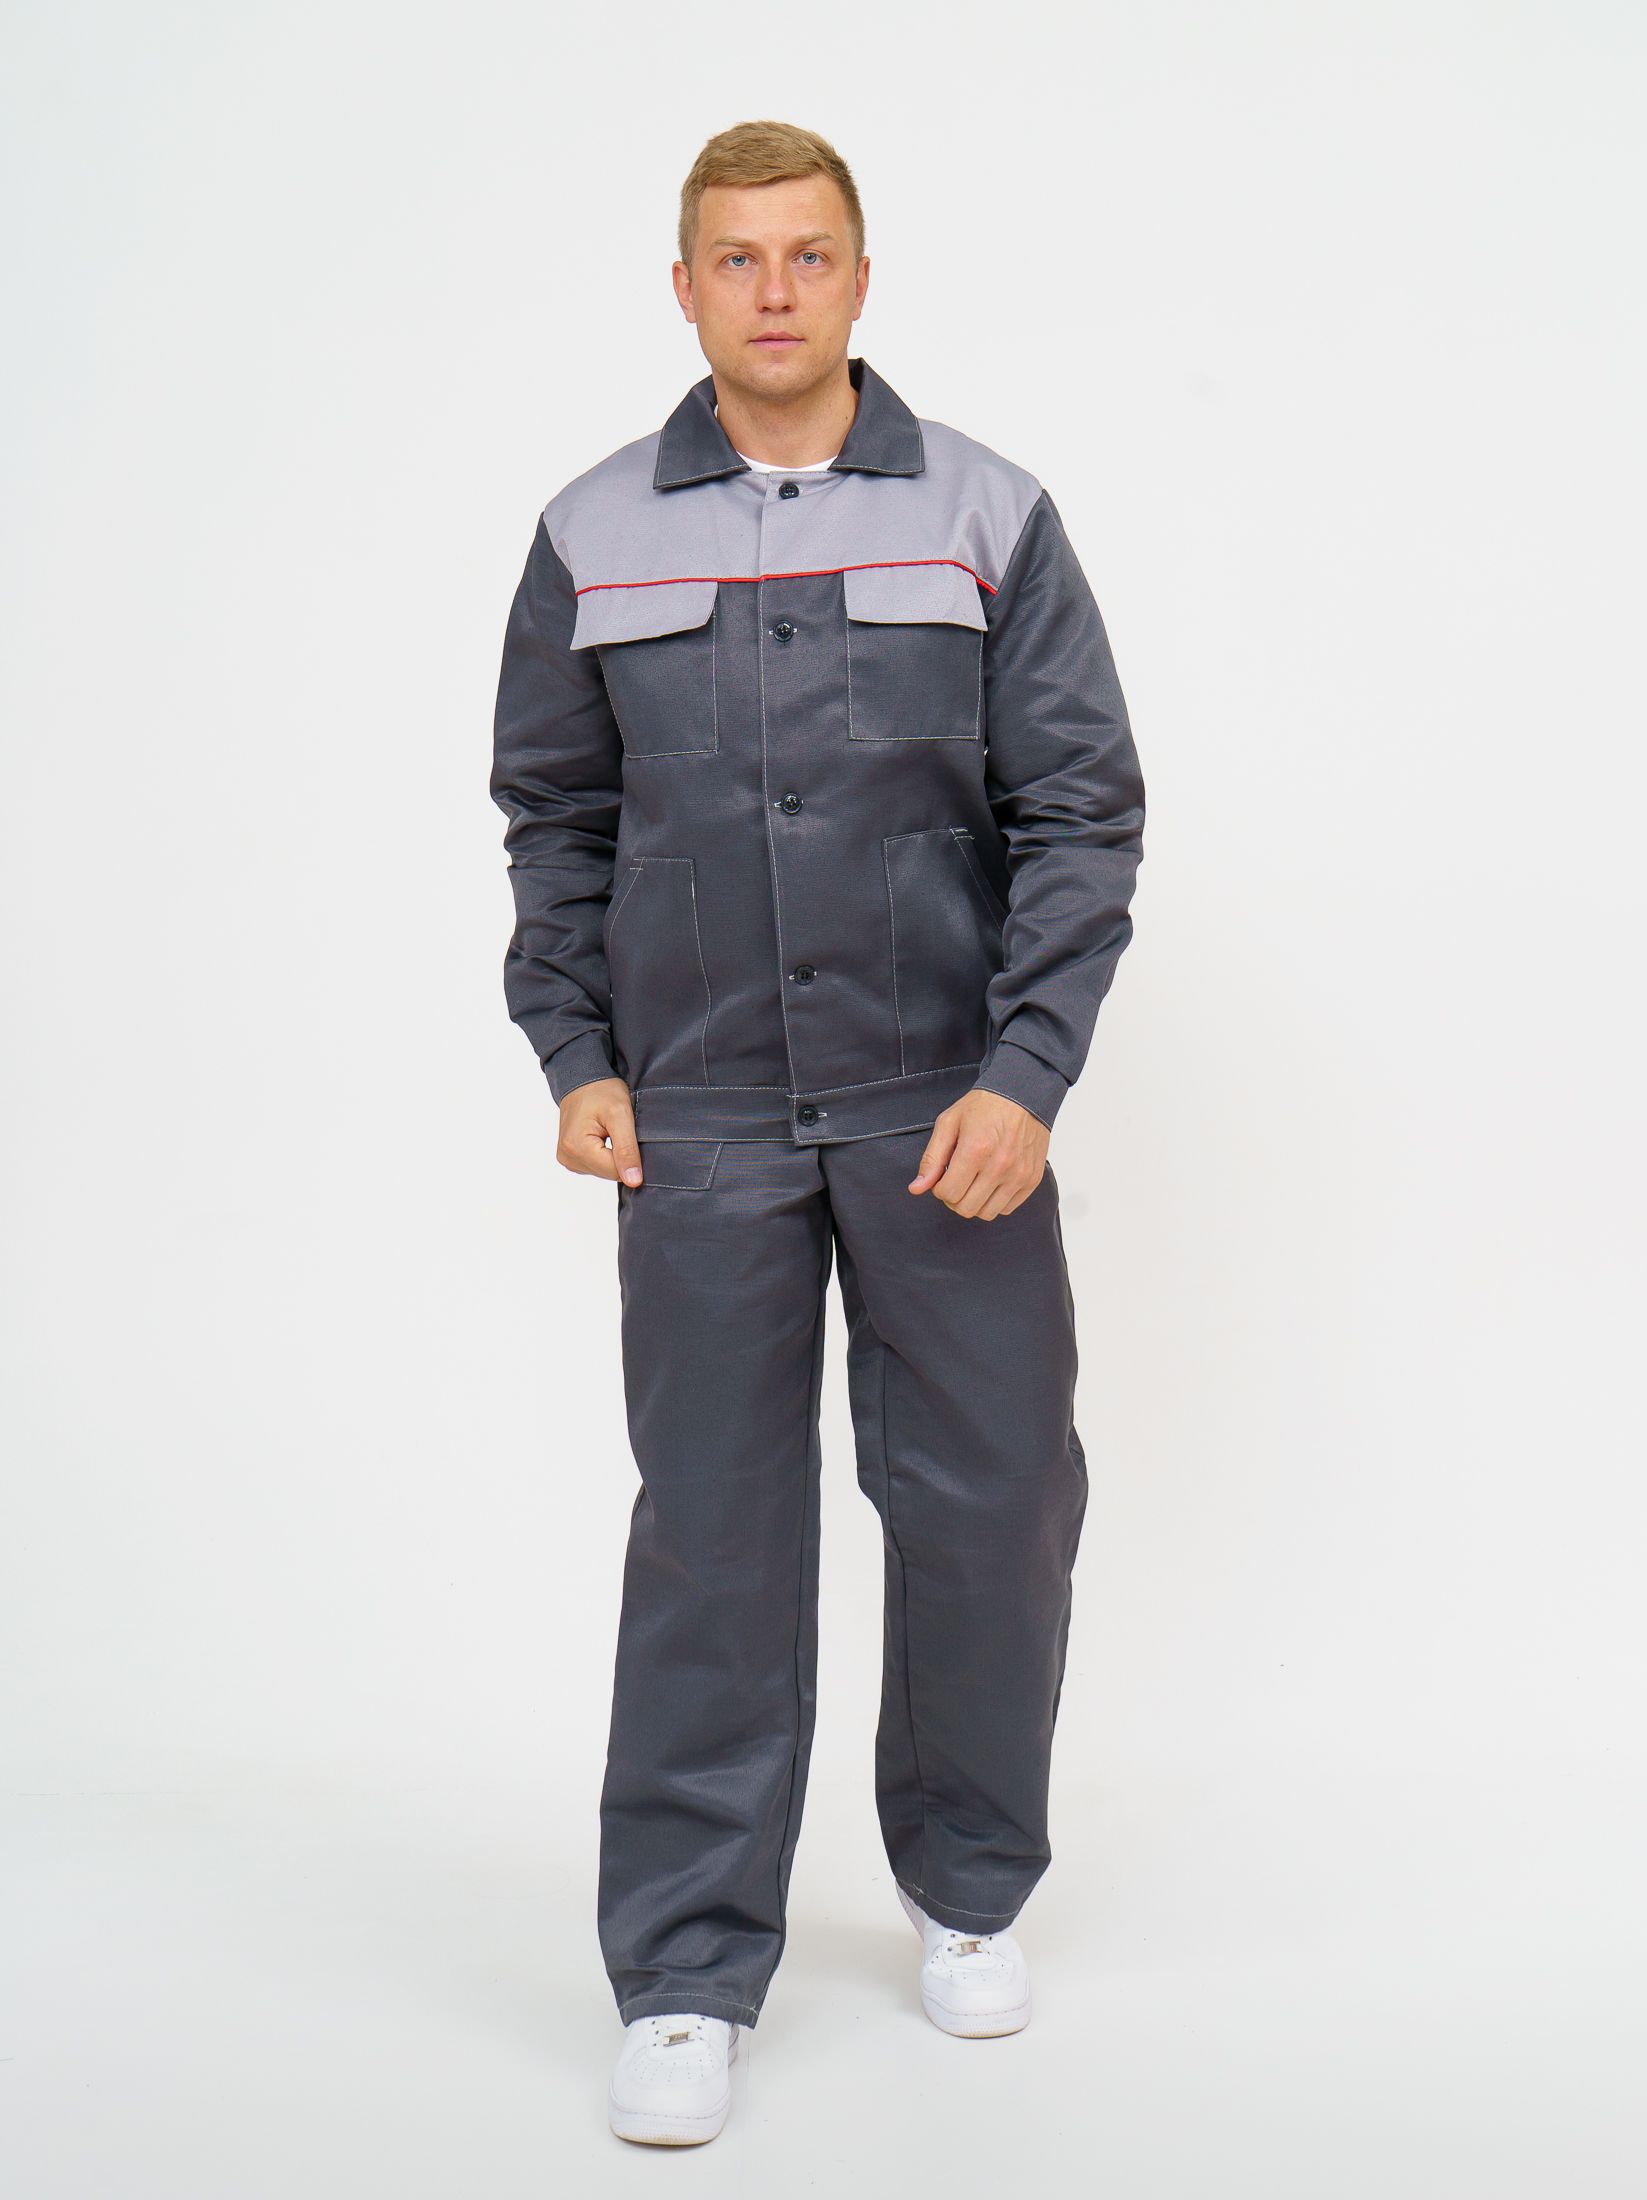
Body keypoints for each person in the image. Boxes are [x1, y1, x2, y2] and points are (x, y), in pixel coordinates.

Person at [490, 117, 1146, 2147]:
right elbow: (554, 816)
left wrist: (1024, 1074)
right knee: (713, 1531)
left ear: (861, 277)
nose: (772, 290)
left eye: (808, 254)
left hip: (943, 1109)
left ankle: (969, 1883)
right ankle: (687, 1971)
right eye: (735, 257)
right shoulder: (595, 530)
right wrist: (573, 1048)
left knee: (991, 1500)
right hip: (694, 1116)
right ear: (683, 287)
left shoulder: (986, 513)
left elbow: (1080, 809)